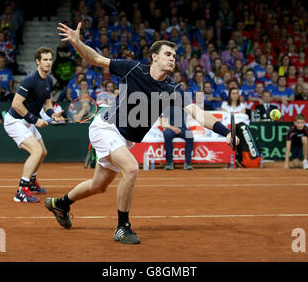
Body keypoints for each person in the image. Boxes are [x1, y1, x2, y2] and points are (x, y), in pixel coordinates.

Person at [45, 23, 238, 244]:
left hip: (124, 139)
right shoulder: (133, 68)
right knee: (131, 168)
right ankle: (122, 227)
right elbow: (96, 59)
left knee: (99, 185)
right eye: (167, 54)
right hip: (106, 127)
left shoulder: (172, 90)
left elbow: (198, 113)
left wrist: (226, 132)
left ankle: (60, 204)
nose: (172, 58)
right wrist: (77, 42)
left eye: (174, 55)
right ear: (154, 57)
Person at [3, 47, 65, 203]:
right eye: (45, 59)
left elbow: (48, 104)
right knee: (36, 151)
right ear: (37, 61)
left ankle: (31, 182)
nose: (48, 62)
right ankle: (21, 192)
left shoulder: (49, 80)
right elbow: (16, 104)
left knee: (43, 152)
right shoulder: (30, 79)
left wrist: (53, 115)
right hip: (14, 121)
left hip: (27, 122)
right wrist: (35, 119)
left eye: (50, 59)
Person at [160, 106, 194, 170]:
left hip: (183, 129)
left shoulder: (185, 107)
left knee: (190, 135)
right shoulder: (168, 108)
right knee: (167, 134)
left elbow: (196, 113)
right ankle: (169, 163)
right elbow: (163, 123)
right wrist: (173, 128)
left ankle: (188, 162)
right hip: (171, 128)